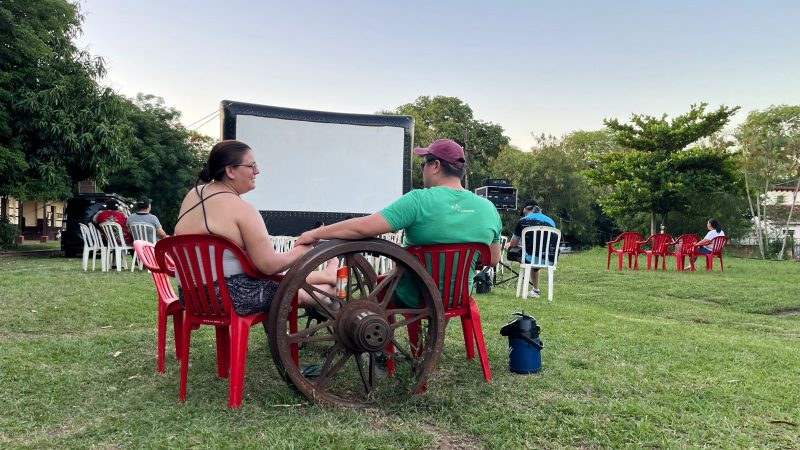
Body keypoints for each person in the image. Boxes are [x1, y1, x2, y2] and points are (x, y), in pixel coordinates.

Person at [297, 138, 502, 307]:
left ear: (436, 166)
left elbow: (363, 227)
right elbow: (492, 260)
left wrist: (316, 233)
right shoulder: (489, 208)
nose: (423, 170)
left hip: (414, 296)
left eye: (424, 164)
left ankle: (364, 334)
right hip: (457, 299)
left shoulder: (419, 200)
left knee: (376, 291)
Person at [173, 140, 338, 317]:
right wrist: (303, 250)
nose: (257, 171)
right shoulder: (243, 210)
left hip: (190, 297)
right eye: (252, 166)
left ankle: (327, 281)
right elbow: (268, 266)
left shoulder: (193, 194)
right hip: (233, 298)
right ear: (230, 171)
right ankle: (328, 293)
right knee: (284, 288)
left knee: (269, 279)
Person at [505, 200, 557, 298]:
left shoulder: (523, 221)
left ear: (525, 210)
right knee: (534, 258)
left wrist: (508, 245)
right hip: (550, 259)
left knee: (511, 249)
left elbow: (513, 243)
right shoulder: (551, 221)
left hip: (530, 258)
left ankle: (531, 288)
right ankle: (536, 290)